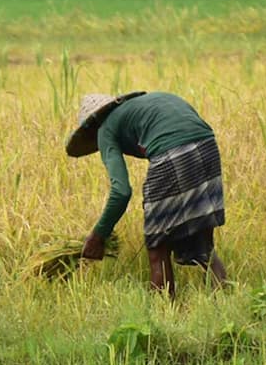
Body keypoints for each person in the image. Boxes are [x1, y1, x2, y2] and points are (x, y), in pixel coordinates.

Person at [66, 91, 228, 299]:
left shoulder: (105, 129)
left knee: (158, 246)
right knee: (204, 246)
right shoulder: (148, 103)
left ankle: (163, 316)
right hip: (208, 149)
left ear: (91, 127)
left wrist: (99, 235)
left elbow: (121, 191)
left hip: (172, 152)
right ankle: (225, 300)